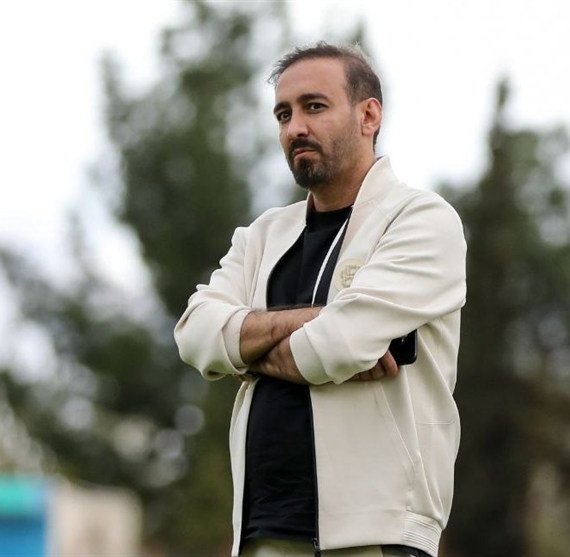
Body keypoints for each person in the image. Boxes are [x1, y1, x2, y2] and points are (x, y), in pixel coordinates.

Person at [174, 42, 467, 557]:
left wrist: (244, 349)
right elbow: (196, 335)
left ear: (368, 115)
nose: (295, 128)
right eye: (283, 114)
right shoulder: (262, 235)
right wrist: (319, 322)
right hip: (263, 532)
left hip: (378, 533)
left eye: (314, 106)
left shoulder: (422, 220)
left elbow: (334, 345)